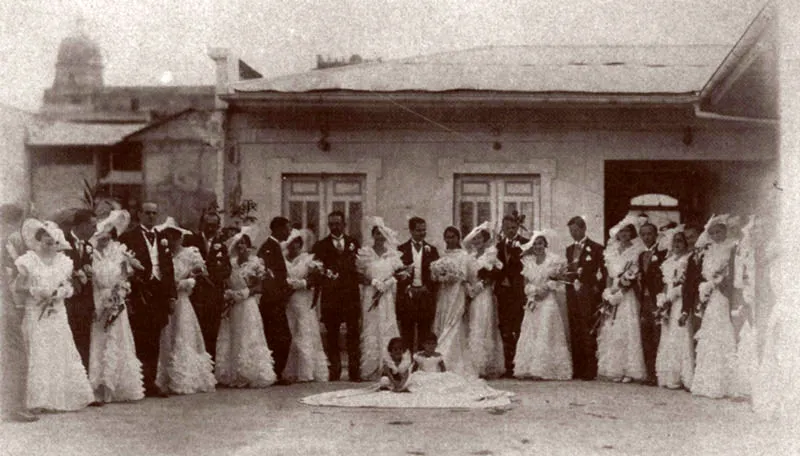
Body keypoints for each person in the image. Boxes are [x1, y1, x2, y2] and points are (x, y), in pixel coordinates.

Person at [300, 333, 513, 409]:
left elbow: (443, 369)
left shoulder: (438, 356)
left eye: (433, 344)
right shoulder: (416, 358)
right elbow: (410, 371)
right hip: (417, 377)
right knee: (411, 383)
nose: (430, 348)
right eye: (427, 344)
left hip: (435, 377)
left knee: (445, 385)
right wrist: (399, 384)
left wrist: (445, 375)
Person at [13, 219, 94, 412]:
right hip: (36, 310)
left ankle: (58, 398)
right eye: (45, 242)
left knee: (58, 348)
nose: (49, 246)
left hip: (57, 311)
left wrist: (61, 293)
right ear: (38, 241)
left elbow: (69, 285)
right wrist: (37, 291)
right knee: (39, 350)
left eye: (52, 243)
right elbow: (18, 287)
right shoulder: (28, 260)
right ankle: (38, 399)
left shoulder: (64, 262)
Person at [119, 202, 176, 397]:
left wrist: (171, 296)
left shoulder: (162, 237)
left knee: (155, 338)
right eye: (147, 213)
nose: (151, 216)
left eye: (154, 213)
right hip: (140, 292)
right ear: (139, 214)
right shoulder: (128, 237)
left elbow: (169, 268)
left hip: (159, 293)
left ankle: (151, 381)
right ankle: (139, 381)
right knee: (140, 337)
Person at [88, 210, 145, 403]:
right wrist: (99, 303)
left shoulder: (120, 251)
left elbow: (126, 276)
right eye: (101, 234)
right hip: (98, 300)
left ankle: (117, 385)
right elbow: (91, 280)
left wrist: (119, 294)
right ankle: (98, 386)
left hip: (115, 300)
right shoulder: (91, 252)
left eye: (108, 234)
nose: (104, 238)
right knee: (100, 341)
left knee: (116, 340)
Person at [154, 218, 216, 395]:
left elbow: (200, 274)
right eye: (168, 236)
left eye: (175, 236)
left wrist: (189, 281)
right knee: (167, 336)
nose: (172, 240)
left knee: (183, 334)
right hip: (167, 300)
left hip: (182, 300)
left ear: (181, 237)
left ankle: (185, 377)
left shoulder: (191, 253)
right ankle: (165, 376)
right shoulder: (162, 255)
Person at [215, 226, 276, 387]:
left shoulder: (256, 263)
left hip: (248, 305)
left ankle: (251, 372)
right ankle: (235, 372)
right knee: (234, 336)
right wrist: (229, 295)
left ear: (248, 246)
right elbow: (224, 282)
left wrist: (244, 293)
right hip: (234, 306)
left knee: (248, 334)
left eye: (243, 243)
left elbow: (260, 287)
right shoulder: (231, 264)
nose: (240, 246)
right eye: (238, 244)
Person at [689, 215, 739, 399]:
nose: (717, 235)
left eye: (720, 231)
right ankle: (707, 382)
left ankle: (724, 383)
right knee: (709, 333)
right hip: (711, 295)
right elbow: (705, 273)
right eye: (714, 233)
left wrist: (720, 281)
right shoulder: (708, 250)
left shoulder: (732, 247)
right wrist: (707, 286)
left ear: (725, 231)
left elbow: (732, 272)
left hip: (723, 293)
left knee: (722, 330)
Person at [311, 211, 362, 382]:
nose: (335, 227)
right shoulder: (320, 245)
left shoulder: (353, 243)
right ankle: (335, 370)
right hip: (331, 297)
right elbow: (316, 270)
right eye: (331, 224)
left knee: (353, 333)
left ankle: (354, 371)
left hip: (350, 296)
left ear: (344, 224)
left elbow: (358, 267)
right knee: (332, 336)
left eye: (338, 223)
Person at [514, 232, 572, 381]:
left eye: (540, 243)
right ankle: (528, 367)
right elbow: (526, 283)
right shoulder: (528, 261)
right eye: (535, 244)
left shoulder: (554, 260)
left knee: (545, 329)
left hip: (548, 299)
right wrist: (532, 292)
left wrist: (546, 288)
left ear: (545, 244)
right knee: (531, 329)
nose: (537, 246)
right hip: (534, 300)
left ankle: (544, 368)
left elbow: (558, 280)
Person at [597, 217, 647, 383]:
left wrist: (622, 291)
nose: (624, 234)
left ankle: (629, 370)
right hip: (613, 293)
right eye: (621, 232)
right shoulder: (611, 250)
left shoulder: (637, 250)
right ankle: (615, 368)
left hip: (627, 295)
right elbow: (609, 275)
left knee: (627, 329)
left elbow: (633, 275)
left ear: (631, 233)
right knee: (613, 329)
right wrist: (608, 293)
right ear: (617, 234)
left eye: (627, 231)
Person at [1, 204, 39, 422]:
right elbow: (12, 271)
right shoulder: (9, 239)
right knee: (16, 352)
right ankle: (14, 406)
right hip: (4, 302)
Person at [356, 217, 403, 381]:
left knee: (387, 324)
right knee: (372, 325)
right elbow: (358, 275)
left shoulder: (392, 254)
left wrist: (389, 282)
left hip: (387, 295)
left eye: (382, 233)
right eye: (376, 233)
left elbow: (399, 273)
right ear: (372, 235)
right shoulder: (366, 253)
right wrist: (372, 282)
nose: (379, 236)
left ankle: (389, 366)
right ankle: (372, 367)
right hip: (371, 294)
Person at [282, 229, 328, 383]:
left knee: (304, 331)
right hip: (288, 301)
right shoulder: (282, 260)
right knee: (289, 330)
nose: (293, 246)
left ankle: (306, 371)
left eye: (296, 243)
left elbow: (315, 280)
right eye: (290, 243)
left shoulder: (309, 260)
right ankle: (290, 370)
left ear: (300, 244)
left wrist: (301, 283)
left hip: (302, 300)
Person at [563, 216, 605, 381]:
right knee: (575, 328)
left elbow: (601, 273)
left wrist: (594, 289)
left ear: (584, 229)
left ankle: (590, 369)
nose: (573, 234)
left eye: (576, 230)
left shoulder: (596, 248)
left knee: (588, 329)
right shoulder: (568, 249)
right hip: (572, 294)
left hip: (588, 296)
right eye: (571, 231)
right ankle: (578, 368)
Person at [463, 222, 505, 379]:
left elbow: (494, 274)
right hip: (472, 294)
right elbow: (466, 275)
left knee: (484, 324)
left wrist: (482, 285)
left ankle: (485, 365)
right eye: (474, 238)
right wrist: (469, 287)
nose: (477, 241)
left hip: (484, 294)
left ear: (485, 239)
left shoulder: (490, 254)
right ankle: (473, 363)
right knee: (472, 324)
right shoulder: (470, 256)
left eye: (479, 238)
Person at [654, 227, 695, 390]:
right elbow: (666, 283)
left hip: (680, 301)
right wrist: (663, 299)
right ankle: (670, 375)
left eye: (680, 241)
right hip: (669, 302)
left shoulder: (688, 259)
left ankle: (684, 376)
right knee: (669, 336)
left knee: (681, 334)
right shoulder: (668, 262)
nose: (677, 244)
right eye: (674, 241)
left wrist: (674, 293)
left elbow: (687, 283)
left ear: (685, 243)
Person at [430, 226, 474, 377]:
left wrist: (451, 275)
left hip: (456, 292)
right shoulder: (442, 254)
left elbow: (464, 275)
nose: (449, 240)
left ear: (458, 238)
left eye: (452, 237)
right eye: (447, 237)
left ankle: (450, 358)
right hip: (444, 292)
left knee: (454, 320)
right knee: (442, 319)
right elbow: (435, 276)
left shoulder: (463, 255)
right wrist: (439, 275)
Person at [188, 211, 232, 361]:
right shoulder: (191, 241)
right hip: (196, 295)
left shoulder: (222, 246)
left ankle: (210, 370)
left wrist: (212, 277)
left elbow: (227, 269)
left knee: (212, 334)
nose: (211, 229)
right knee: (195, 333)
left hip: (214, 296)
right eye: (208, 225)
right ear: (201, 225)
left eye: (214, 225)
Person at [257, 216, 294, 384]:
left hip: (277, 301)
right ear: (278, 229)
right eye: (287, 228)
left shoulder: (275, 247)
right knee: (278, 337)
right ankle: (275, 372)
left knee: (280, 336)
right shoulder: (268, 248)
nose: (289, 232)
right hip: (272, 302)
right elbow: (267, 277)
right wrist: (280, 295)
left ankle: (277, 372)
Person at [396, 216, 440, 353]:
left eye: (424, 230)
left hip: (425, 296)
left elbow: (437, 275)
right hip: (407, 297)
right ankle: (407, 364)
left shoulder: (432, 250)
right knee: (407, 331)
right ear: (411, 231)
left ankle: (422, 365)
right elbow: (396, 273)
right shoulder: (400, 250)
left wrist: (426, 287)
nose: (422, 233)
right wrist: (407, 287)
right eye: (418, 230)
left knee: (425, 332)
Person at [494, 214, 529, 378]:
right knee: (504, 327)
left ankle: (517, 364)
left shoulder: (525, 244)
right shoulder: (498, 245)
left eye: (513, 228)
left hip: (518, 292)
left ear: (517, 227)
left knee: (518, 327)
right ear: (503, 228)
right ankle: (507, 365)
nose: (510, 231)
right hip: (503, 293)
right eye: (507, 228)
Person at [64, 208, 97, 370]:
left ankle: (83, 379)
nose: (95, 230)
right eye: (92, 226)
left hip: (84, 303)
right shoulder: (62, 242)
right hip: (67, 301)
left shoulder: (89, 246)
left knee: (84, 341)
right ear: (83, 225)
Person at [637, 223, 667, 385]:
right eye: (643, 234)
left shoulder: (662, 254)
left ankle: (657, 372)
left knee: (657, 335)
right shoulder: (641, 255)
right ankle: (649, 373)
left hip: (657, 299)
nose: (647, 237)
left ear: (655, 235)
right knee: (646, 335)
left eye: (649, 234)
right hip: (645, 300)